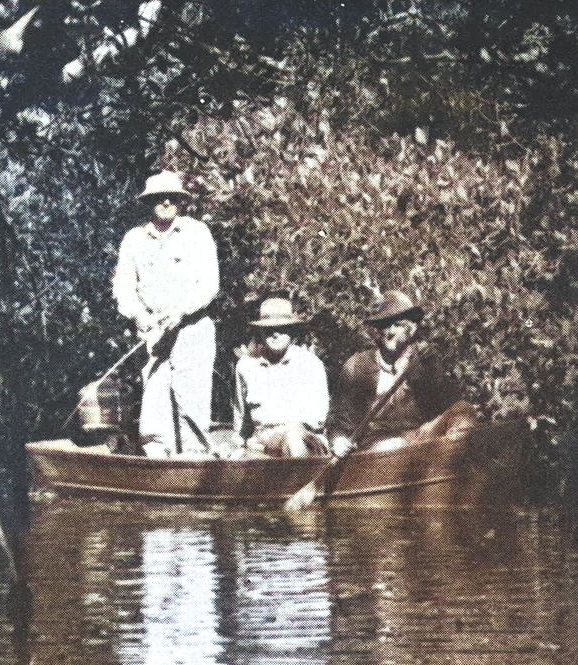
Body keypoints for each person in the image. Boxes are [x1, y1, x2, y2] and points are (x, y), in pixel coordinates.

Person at [112, 170, 219, 457]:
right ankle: (158, 459)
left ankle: (194, 459)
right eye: (160, 197)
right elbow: (123, 288)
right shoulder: (133, 240)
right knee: (155, 399)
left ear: (181, 201)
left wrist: (181, 311)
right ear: (149, 202)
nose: (167, 202)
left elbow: (210, 284)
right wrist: (139, 315)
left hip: (192, 327)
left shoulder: (198, 233)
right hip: (153, 332)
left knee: (192, 399)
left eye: (173, 197)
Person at [327, 290, 476, 454]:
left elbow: (447, 403)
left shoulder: (424, 361)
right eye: (384, 326)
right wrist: (338, 439)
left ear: (412, 329)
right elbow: (339, 418)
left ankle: (454, 468)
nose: (390, 332)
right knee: (395, 445)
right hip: (376, 446)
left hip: (420, 438)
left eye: (397, 325)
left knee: (464, 409)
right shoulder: (358, 365)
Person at [232, 297, 330, 458]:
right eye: (269, 329)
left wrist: (284, 432)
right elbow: (242, 419)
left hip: (305, 441)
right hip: (262, 443)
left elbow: (317, 418)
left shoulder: (309, 364)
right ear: (261, 331)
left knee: (293, 440)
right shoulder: (246, 366)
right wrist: (240, 444)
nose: (275, 334)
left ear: (291, 331)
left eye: (282, 328)